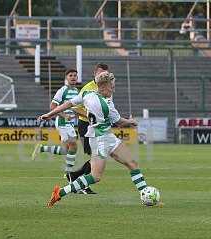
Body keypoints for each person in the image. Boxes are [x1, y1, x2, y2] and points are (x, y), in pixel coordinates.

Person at [38, 71, 148, 208]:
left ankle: (145, 195)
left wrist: (50, 114)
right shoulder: (107, 105)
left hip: (107, 137)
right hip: (100, 140)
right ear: (103, 87)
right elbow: (120, 122)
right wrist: (132, 122)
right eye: (111, 87)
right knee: (95, 177)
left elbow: (68, 104)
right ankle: (60, 192)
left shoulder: (87, 95)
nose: (113, 89)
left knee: (132, 164)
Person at [67, 63, 111, 194]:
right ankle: (80, 181)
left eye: (106, 74)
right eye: (101, 73)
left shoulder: (106, 86)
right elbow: (74, 107)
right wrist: (89, 114)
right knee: (96, 156)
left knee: (98, 156)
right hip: (86, 126)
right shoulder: (88, 88)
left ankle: (75, 176)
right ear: (95, 74)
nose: (104, 76)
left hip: (99, 126)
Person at [31, 69, 79, 175]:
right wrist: (64, 115)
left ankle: (42, 148)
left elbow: (76, 107)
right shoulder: (63, 90)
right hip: (62, 122)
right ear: (66, 78)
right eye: (70, 75)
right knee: (74, 145)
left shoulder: (76, 91)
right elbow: (53, 106)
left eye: (75, 75)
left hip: (70, 123)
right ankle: (68, 172)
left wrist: (76, 114)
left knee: (66, 150)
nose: (73, 77)